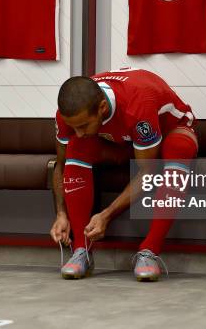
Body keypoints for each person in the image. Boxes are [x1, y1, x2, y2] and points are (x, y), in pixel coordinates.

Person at [50, 68, 198, 281]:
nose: (79, 132)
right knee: (76, 146)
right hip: (123, 139)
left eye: (83, 125)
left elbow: (149, 170)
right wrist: (61, 213)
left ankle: (150, 251)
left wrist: (107, 215)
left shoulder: (138, 105)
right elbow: (61, 165)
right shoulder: (70, 113)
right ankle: (81, 249)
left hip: (170, 130)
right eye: (74, 127)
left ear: (102, 107)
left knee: (179, 150)